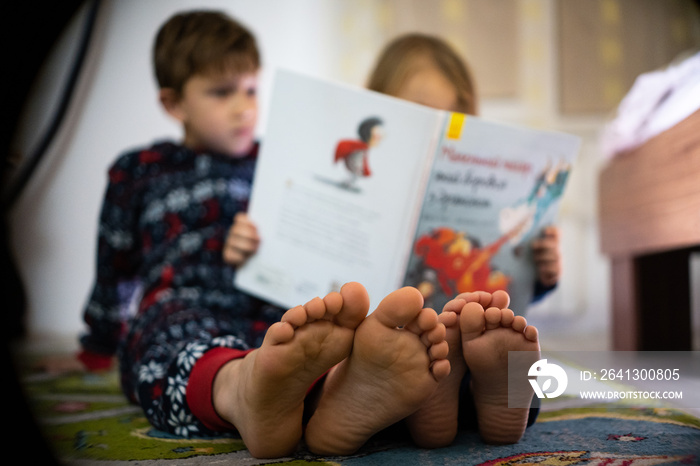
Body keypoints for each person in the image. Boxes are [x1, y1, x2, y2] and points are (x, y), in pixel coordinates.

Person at [66, 10, 520, 460]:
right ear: (174, 103)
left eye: (250, 89)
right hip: (187, 298)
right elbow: (115, 267)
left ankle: (430, 393)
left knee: (331, 346)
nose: (243, 106)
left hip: (277, 306)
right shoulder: (140, 170)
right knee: (174, 340)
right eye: (222, 92)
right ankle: (243, 390)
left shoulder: (279, 155)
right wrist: (97, 346)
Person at [361, 32, 551, 447]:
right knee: (359, 381)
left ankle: (456, 394)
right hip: (389, 347)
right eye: (417, 116)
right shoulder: (363, 180)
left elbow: (507, 283)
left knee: (523, 375)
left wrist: (541, 270)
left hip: (465, 344)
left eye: (448, 120)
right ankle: (433, 394)